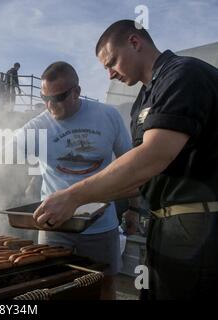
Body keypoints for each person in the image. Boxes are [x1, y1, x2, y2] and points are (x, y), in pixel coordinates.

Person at [35, 20, 218, 300]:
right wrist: (78, 202)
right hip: (163, 227)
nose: (109, 75)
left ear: (135, 42)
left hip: (202, 224)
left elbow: (152, 157)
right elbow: (138, 178)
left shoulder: (183, 75)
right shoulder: (143, 100)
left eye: (112, 63)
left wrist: (72, 196)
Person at [0, 61, 141, 299]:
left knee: (104, 284)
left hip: (101, 225)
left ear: (76, 92)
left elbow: (131, 165)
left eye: (57, 98)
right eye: (44, 98)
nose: (49, 106)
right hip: (52, 225)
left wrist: (134, 209)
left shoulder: (107, 115)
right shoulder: (40, 125)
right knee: (51, 286)